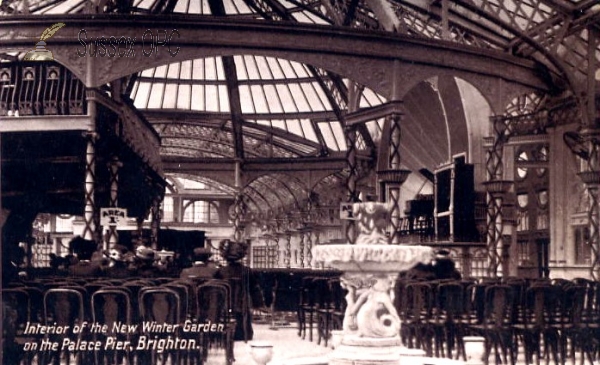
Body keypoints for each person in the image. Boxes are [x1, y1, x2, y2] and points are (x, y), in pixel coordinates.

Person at [215, 239, 266, 341]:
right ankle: (245, 333)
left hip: (224, 305)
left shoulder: (220, 272)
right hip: (242, 304)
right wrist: (259, 304)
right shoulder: (247, 271)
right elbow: (254, 289)